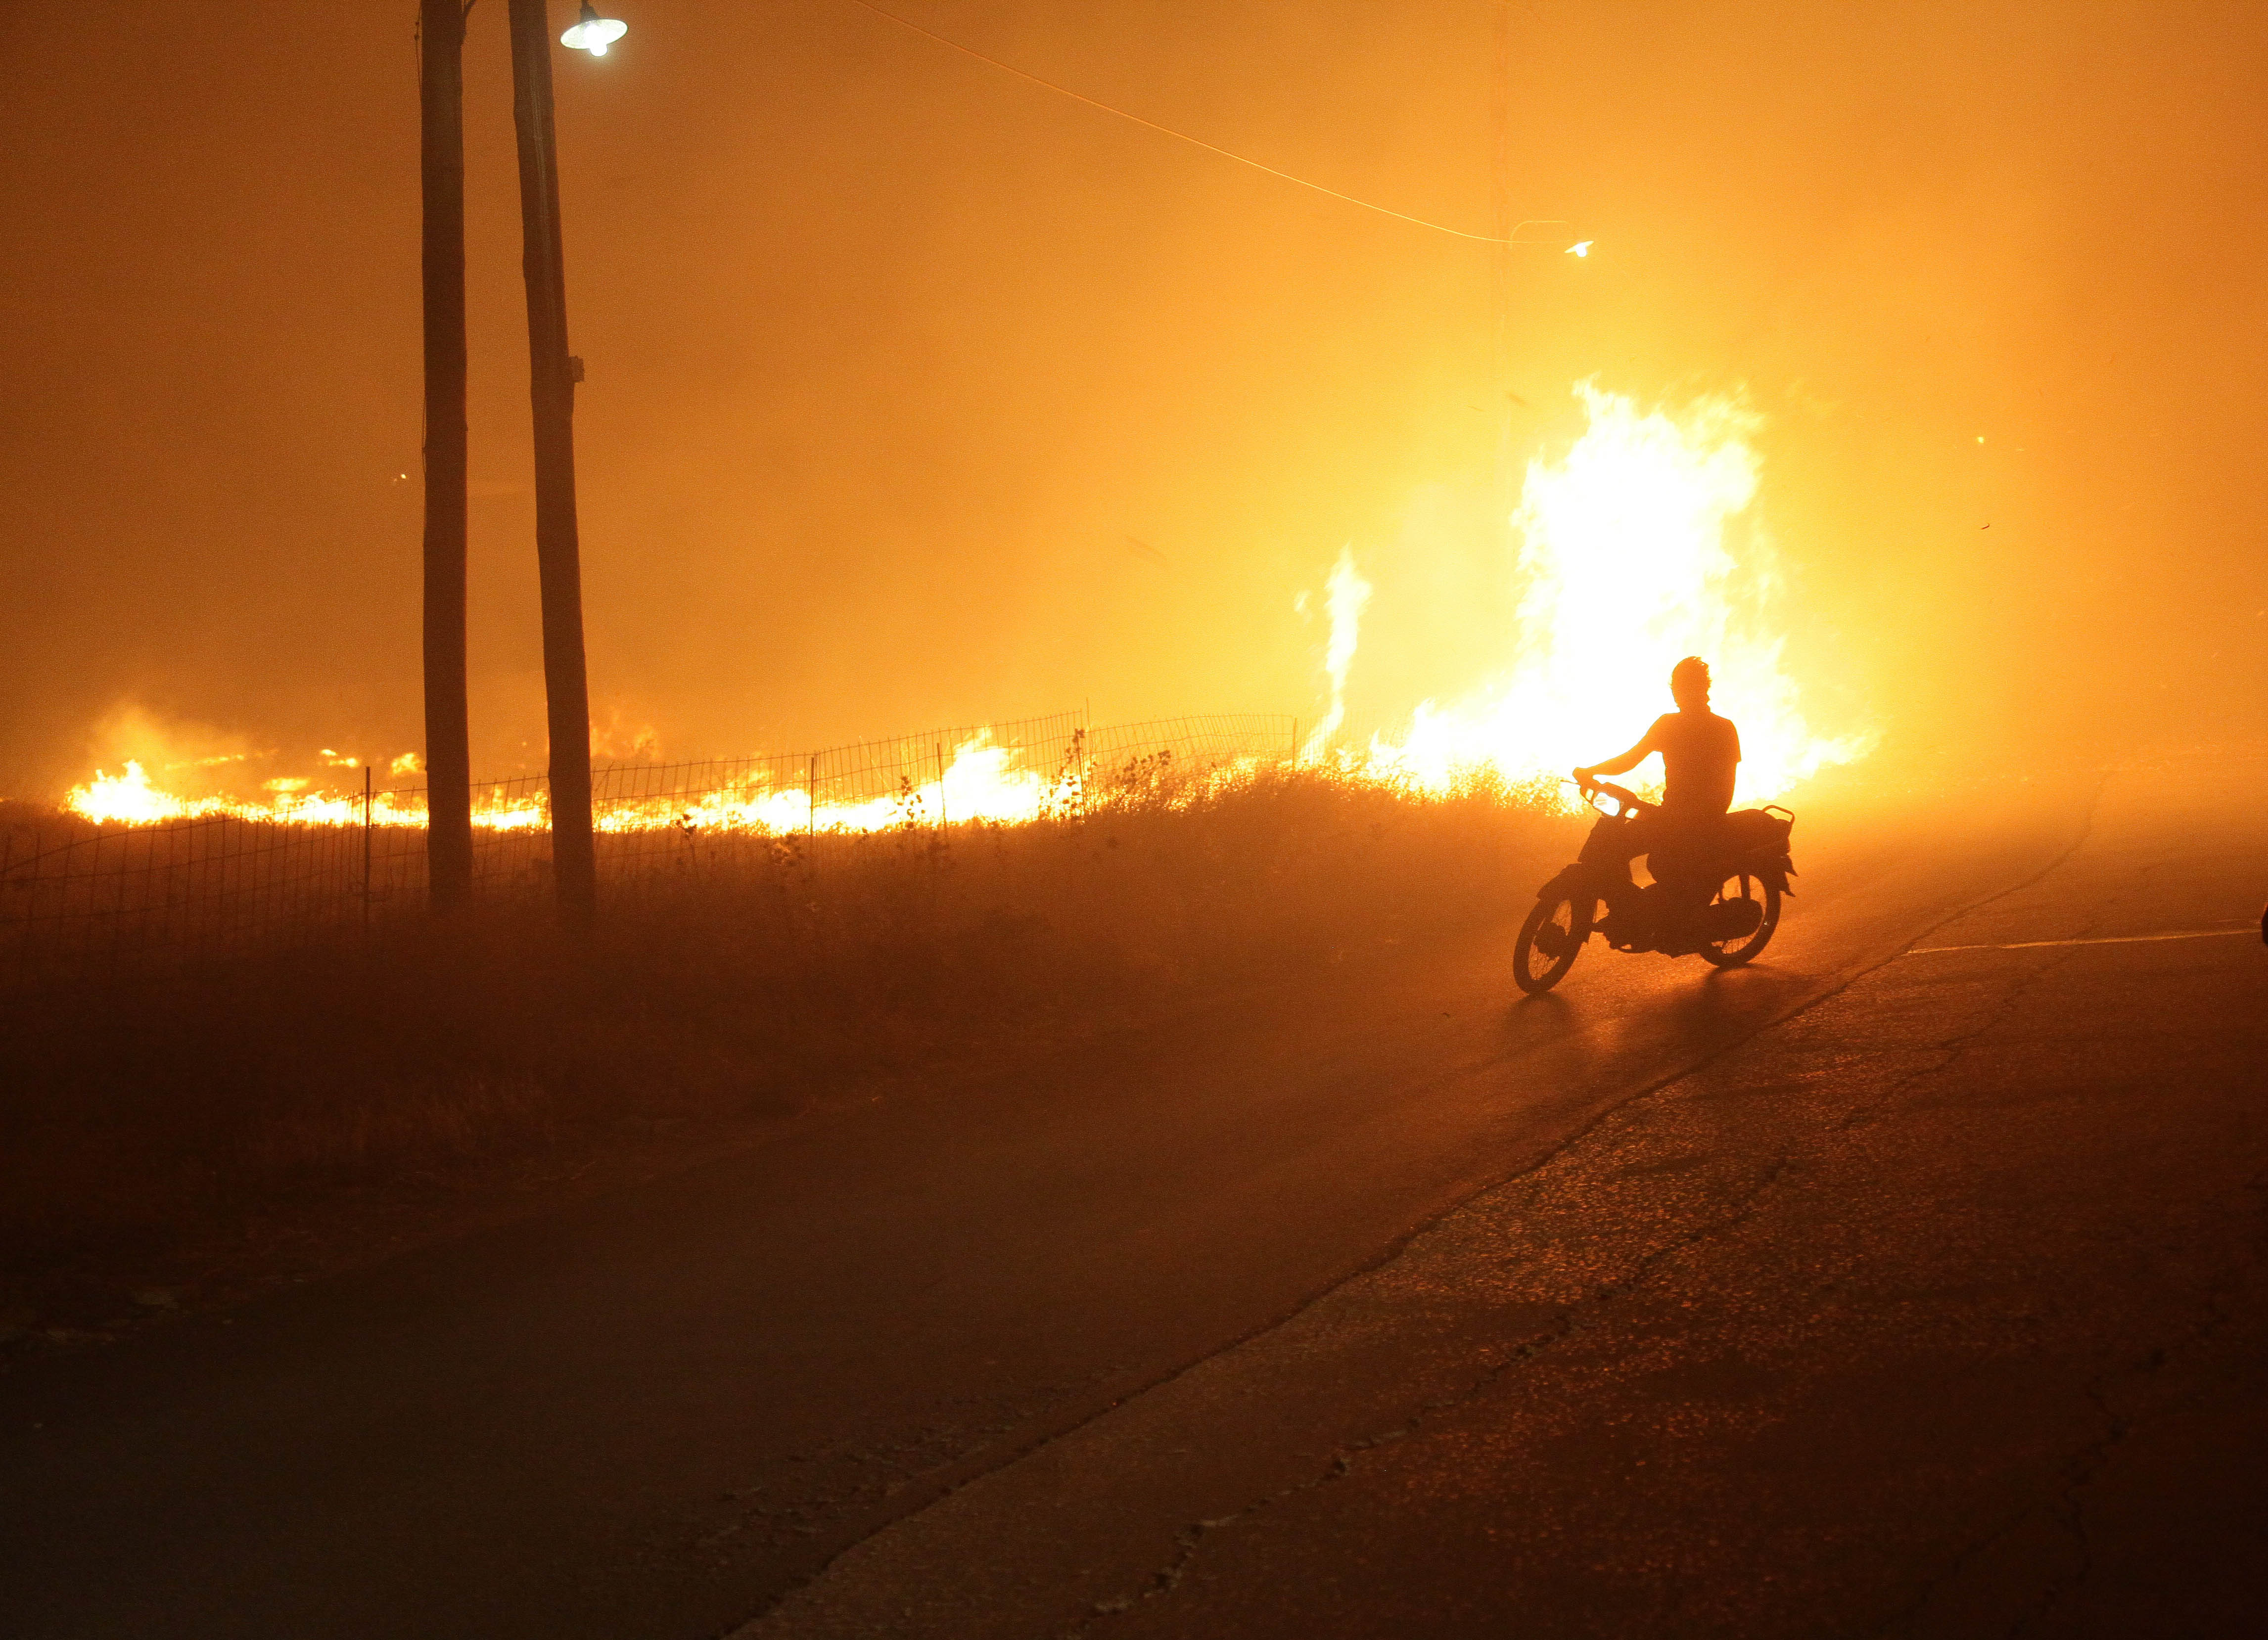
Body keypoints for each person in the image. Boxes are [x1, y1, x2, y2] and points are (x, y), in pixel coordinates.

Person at [1573, 656, 1741, 926]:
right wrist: (1591, 771)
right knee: (1615, 841)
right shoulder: (1683, 724)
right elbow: (1630, 760)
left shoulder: (1716, 728)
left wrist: (1696, 818)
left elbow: (1725, 788)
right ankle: (1628, 912)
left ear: (1702, 689)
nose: (1678, 693)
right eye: (1676, 687)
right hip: (1672, 815)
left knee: (1650, 858)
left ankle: (1648, 916)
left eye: (1684, 687)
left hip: (1698, 821)